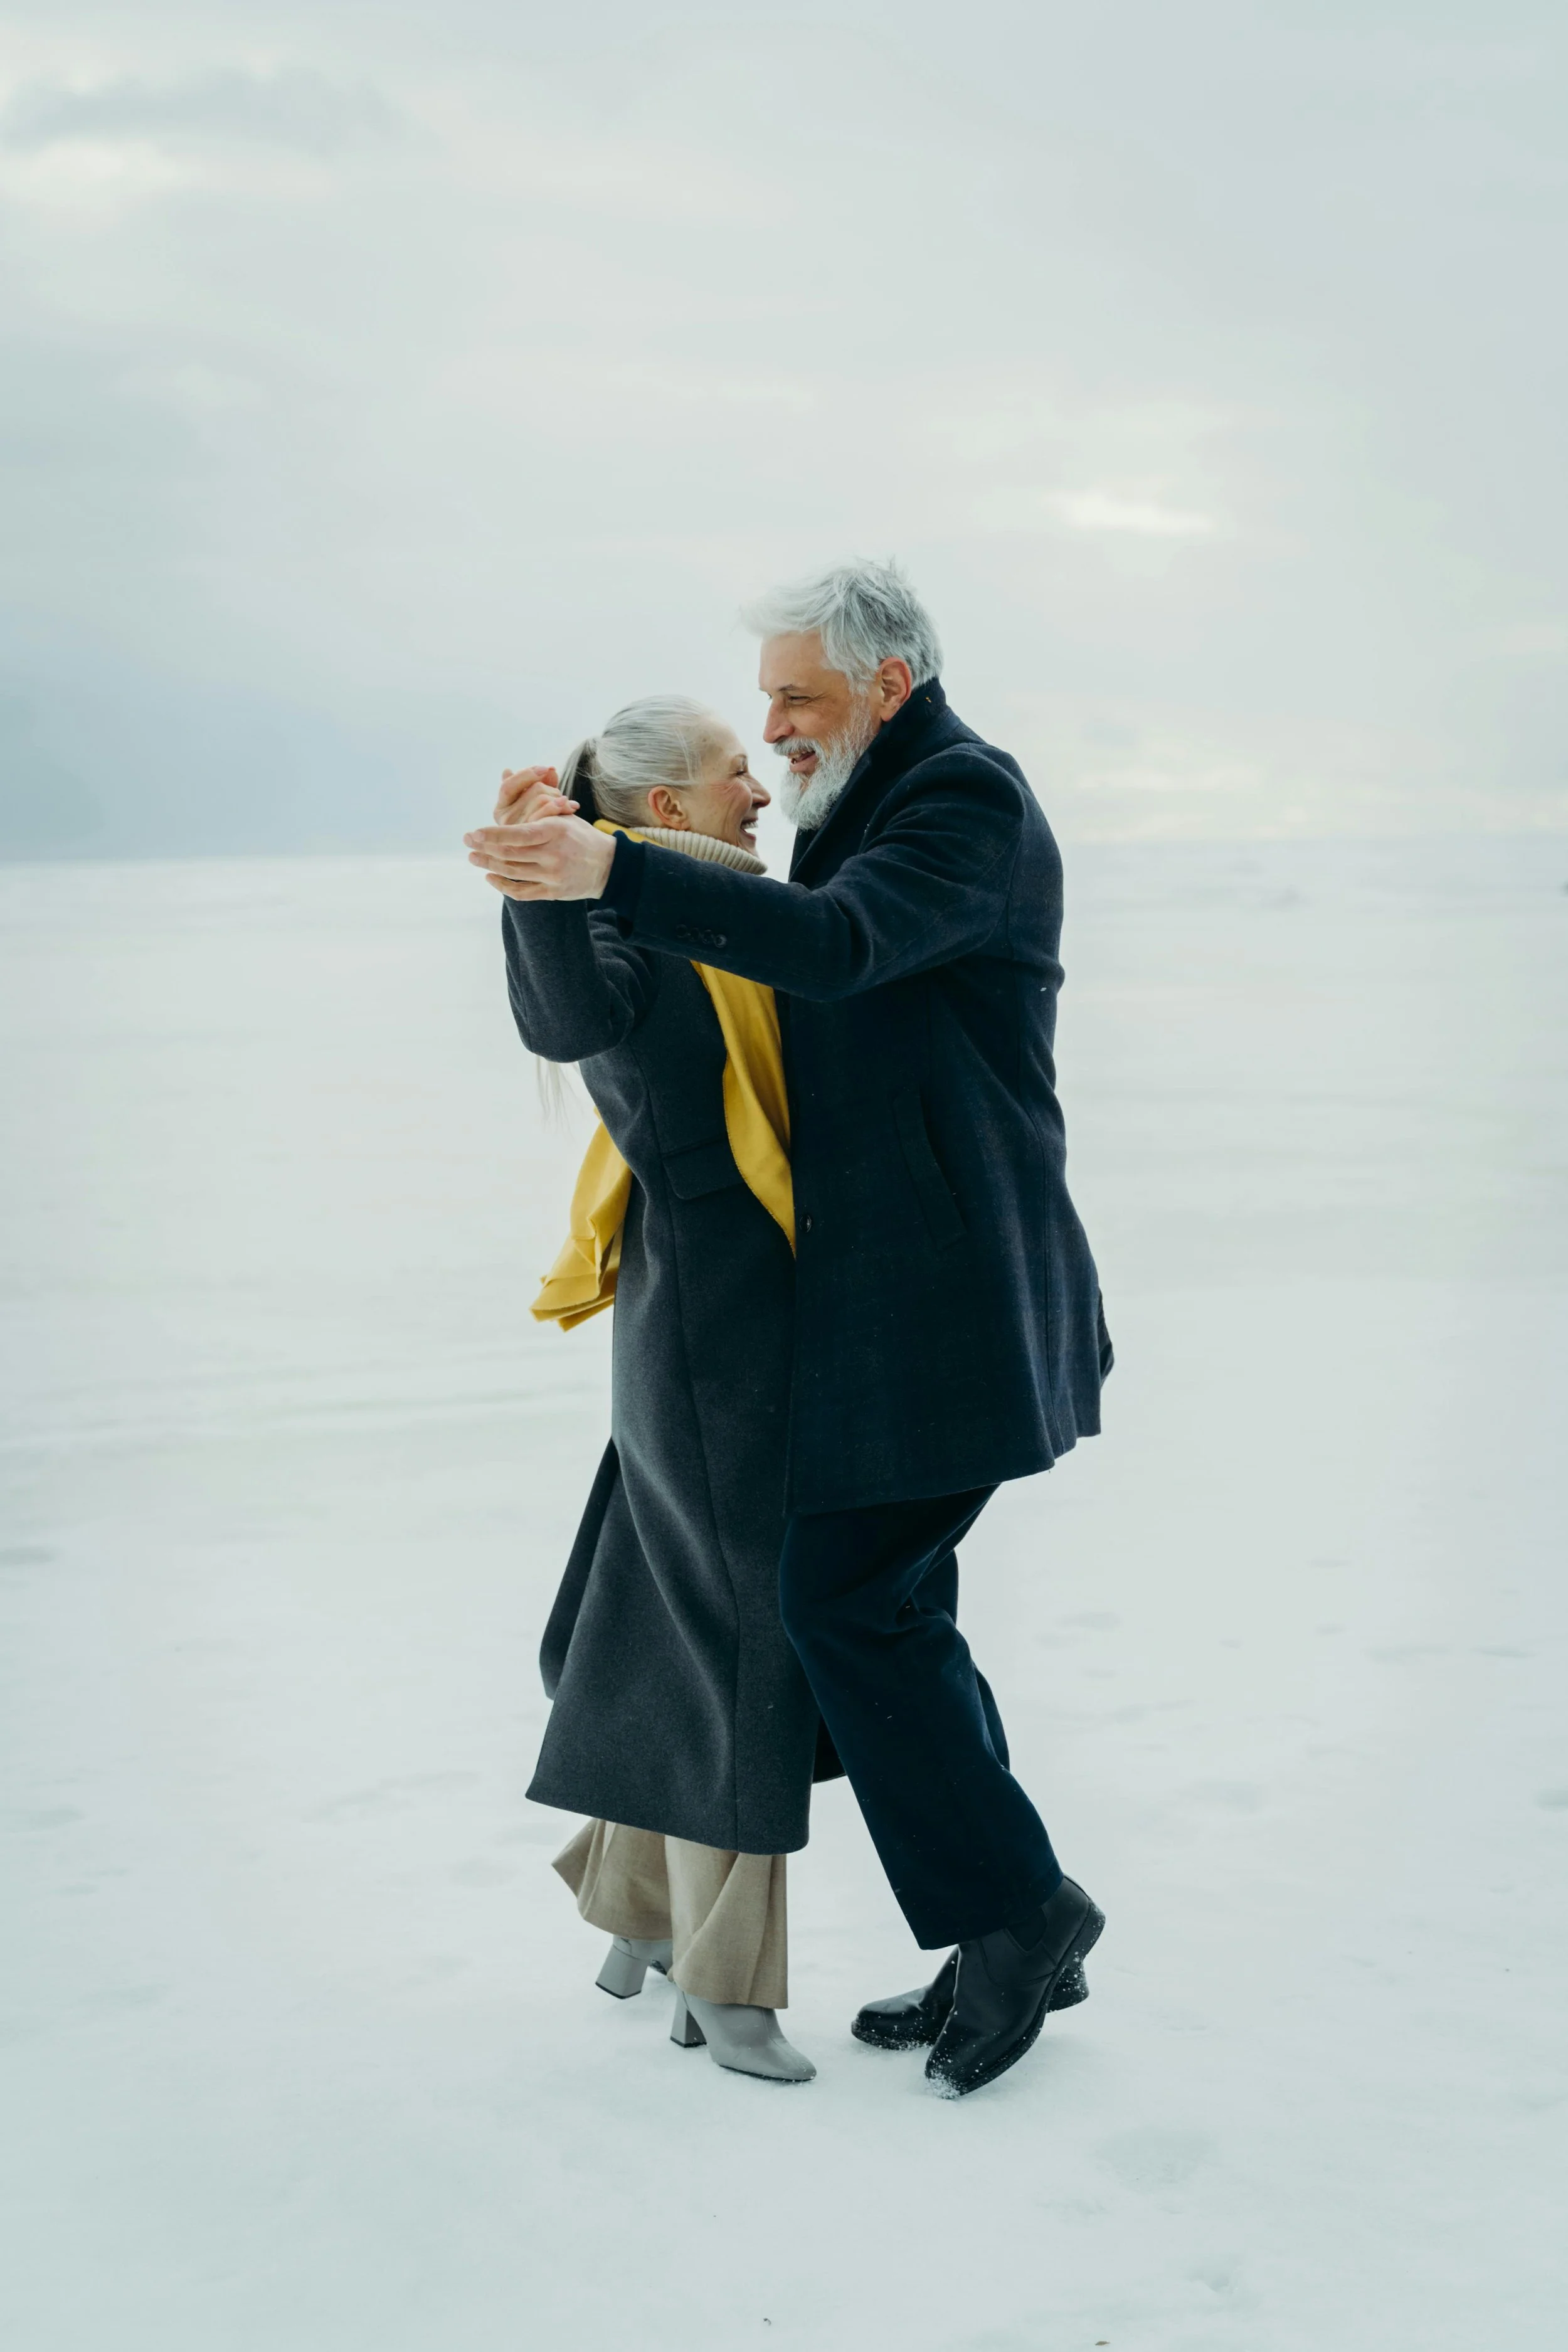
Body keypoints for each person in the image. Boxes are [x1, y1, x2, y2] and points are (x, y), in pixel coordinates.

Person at [467, 560, 1114, 2100]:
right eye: (757, 706)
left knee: (844, 1603)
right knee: (881, 1605)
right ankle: (1006, 1921)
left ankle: (1019, 1916)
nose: (772, 735)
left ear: (889, 682)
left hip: (950, 1305)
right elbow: (631, 999)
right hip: (877, 1318)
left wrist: (608, 867)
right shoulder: (864, 803)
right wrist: (571, 887)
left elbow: (826, 952)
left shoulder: (960, 802)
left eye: (796, 698)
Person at [492, 696, 821, 2085]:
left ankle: (632, 1909)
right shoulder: (627, 915)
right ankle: (727, 1981)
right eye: (731, 771)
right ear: (669, 810)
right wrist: (540, 885)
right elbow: (566, 1017)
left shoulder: (738, 904)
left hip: (724, 1311)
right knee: (750, 1631)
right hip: (708, 1324)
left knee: (666, 1600)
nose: (757, 784)